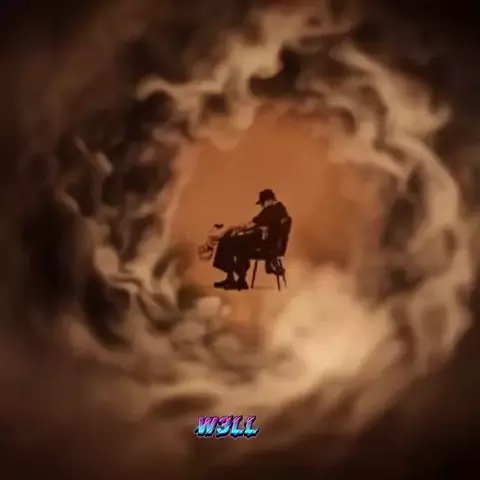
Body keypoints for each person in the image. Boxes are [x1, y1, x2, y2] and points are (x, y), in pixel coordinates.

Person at [212, 189, 289, 290]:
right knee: (235, 242)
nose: (262, 206)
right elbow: (259, 224)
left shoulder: (272, 210)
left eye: (263, 203)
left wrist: (237, 229)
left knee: (229, 241)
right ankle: (236, 278)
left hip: (266, 245)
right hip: (267, 243)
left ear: (269, 200)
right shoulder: (280, 209)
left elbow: (253, 224)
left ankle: (235, 277)